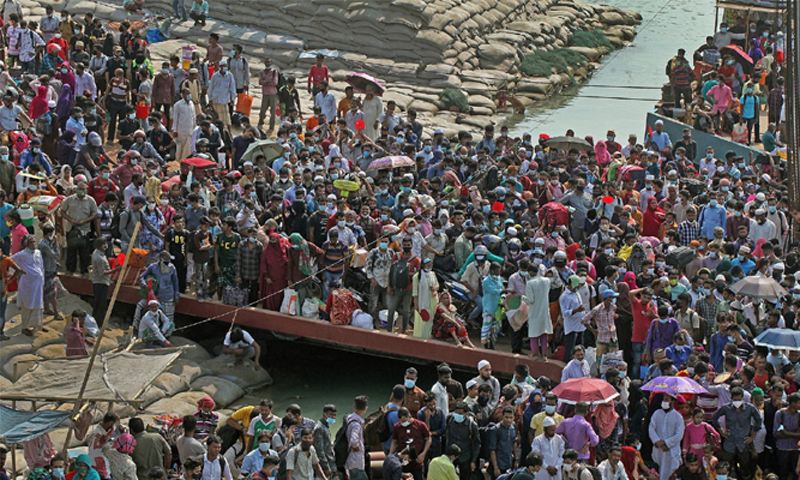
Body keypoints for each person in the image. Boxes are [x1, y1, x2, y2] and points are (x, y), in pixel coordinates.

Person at [12, 235, 45, 336]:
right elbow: (10, 261)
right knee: (27, 305)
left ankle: (38, 325)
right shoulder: (22, 254)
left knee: (38, 304)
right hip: (28, 285)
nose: (33, 244)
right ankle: (25, 327)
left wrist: (43, 281)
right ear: (26, 244)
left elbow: (41, 266)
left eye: (34, 242)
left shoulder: (38, 253)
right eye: (31, 242)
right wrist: (19, 270)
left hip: (38, 284)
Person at [650, 395, 686, 480]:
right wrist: (657, 441)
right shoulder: (656, 414)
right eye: (663, 399)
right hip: (658, 450)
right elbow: (651, 428)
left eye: (667, 399)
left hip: (671, 451)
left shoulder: (678, 417)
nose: (664, 401)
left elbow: (679, 435)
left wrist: (666, 443)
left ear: (673, 402)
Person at [532, 416, 565, 480]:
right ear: (545, 429)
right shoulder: (538, 440)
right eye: (551, 430)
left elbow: (562, 455)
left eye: (554, 429)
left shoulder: (559, 439)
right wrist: (547, 467)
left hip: (556, 471)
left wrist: (556, 467)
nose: (553, 432)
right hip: (543, 471)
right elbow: (536, 456)